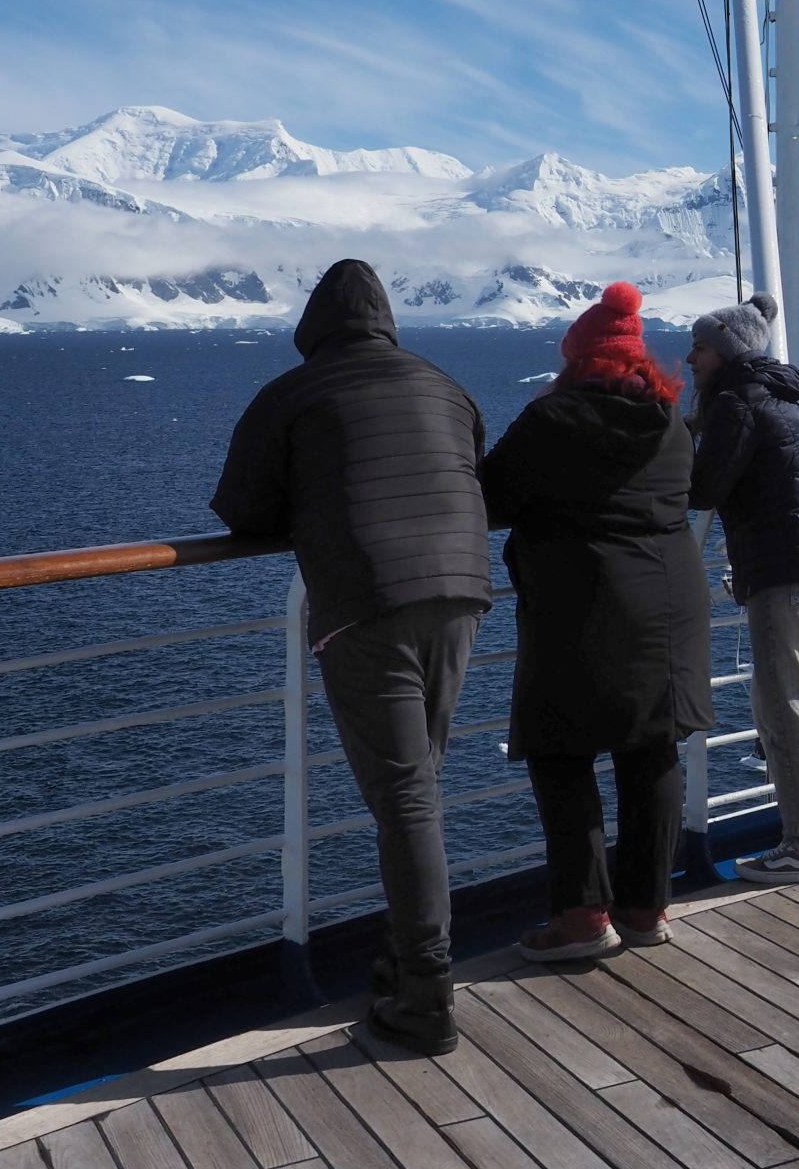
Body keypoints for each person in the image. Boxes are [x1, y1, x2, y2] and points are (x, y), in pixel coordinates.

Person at [210, 259, 491, 1057]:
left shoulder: (292, 394)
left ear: (314, 327)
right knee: (417, 787)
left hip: (369, 597)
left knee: (406, 800)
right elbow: (472, 469)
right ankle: (403, 962)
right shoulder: (445, 384)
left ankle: (426, 995)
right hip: (462, 588)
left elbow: (241, 510)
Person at [483, 281, 713, 961]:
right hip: (668, 600)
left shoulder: (552, 418)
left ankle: (583, 917)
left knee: (561, 751)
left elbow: (490, 494)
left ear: (579, 357)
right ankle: (646, 909)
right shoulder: (671, 423)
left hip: (577, 602)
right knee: (652, 748)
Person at [686, 290, 799, 884]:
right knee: (785, 701)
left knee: (786, 711)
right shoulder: (781, 398)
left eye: (700, 348)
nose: (691, 358)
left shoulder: (737, 403)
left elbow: (703, 489)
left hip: (785, 573)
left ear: (728, 353)